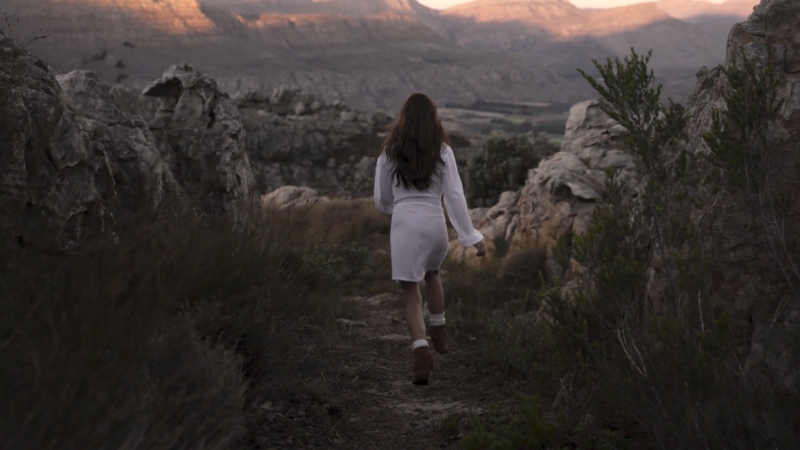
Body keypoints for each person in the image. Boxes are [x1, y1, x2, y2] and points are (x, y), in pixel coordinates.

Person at [374, 92, 486, 386]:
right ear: (433, 119)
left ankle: (421, 353)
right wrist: (470, 236)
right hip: (435, 221)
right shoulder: (444, 152)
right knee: (433, 275)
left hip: (404, 222)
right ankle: (440, 333)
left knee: (411, 291)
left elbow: (381, 200)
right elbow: (455, 197)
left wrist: (398, 208)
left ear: (404, 118)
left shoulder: (388, 153)